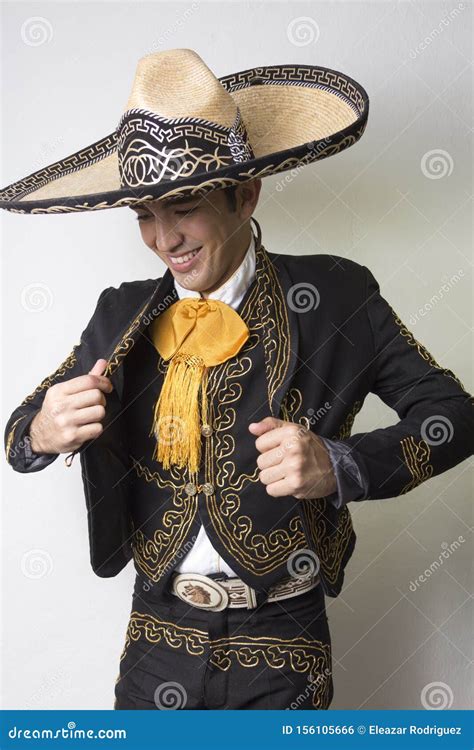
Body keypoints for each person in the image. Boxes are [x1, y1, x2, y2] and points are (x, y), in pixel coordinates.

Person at [3, 49, 473, 710]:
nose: (163, 239)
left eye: (183, 206)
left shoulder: (335, 295)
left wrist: (341, 464)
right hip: (156, 634)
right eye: (143, 214)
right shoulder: (120, 312)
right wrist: (44, 430)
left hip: (283, 640)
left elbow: (453, 414)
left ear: (245, 194)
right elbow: (19, 433)